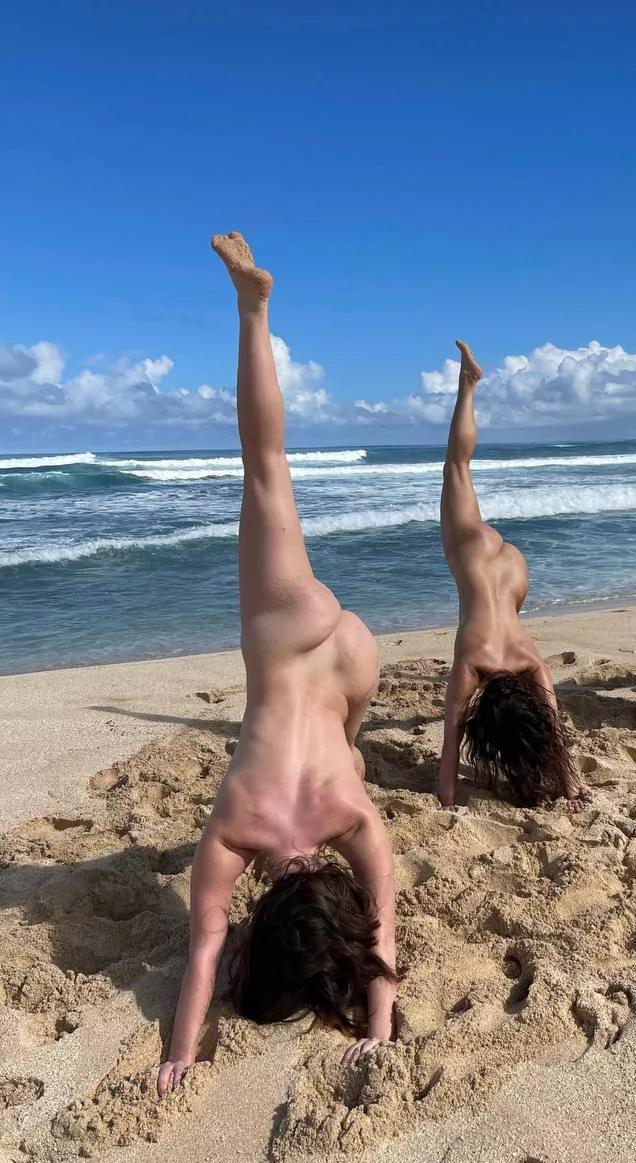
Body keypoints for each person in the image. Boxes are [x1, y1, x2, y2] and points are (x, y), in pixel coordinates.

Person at [157, 233, 396, 1096]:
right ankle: (252, 307)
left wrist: (380, 1027)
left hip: (354, 664)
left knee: (351, 747)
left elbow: (383, 940)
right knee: (265, 466)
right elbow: (203, 949)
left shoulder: (355, 823)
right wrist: (179, 1053)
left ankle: (255, 306)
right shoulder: (234, 832)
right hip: (289, 641)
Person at [437, 341, 585, 811]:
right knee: (456, 468)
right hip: (482, 562)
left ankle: (469, 384)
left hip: (517, 575)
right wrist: (446, 795)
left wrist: (571, 785)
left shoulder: (530, 661)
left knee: (460, 468)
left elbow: (551, 726)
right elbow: (451, 735)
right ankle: (467, 385)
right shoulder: (475, 664)